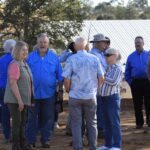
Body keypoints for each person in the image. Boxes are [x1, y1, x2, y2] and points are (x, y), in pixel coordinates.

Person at [62, 37, 104, 150]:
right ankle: (93, 147)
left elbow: (66, 78)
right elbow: (101, 77)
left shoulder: (71, 59)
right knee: (92, 123)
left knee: (76, 124)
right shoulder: (95, 59)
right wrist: (96, 89)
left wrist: (68, 90)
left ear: (75, 46)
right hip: (90, 96)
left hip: (75, 96)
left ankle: (78, 147)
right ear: (86, 46)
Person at [26, 33, 63, 148]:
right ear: (37, 43)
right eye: (40, 42)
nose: (42, 44)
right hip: (32, 93)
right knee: (32, 118)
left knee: (48, 118)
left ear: (48, 44)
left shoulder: (54, 57)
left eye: (45, 42)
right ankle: (31, 140)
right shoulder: (29, 57)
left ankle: (46, 140)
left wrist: (61, 91)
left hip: (49, 94)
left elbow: (60, 76)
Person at [4, 41, 33, 150]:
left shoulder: (24, 63)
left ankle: (23, 144)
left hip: (23, 100)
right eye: (23, 50)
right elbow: (12, 83)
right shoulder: (14, 64)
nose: (25, 52)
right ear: (17, 51)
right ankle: (16, 146)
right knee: (17, 124)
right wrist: (20, 101)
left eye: (26, 49)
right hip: (15, 100)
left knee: (22, 123)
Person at [98, 48, 123, 150]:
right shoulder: (108, 68)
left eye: (108, 55)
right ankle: (108, 145)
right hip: (103, 98)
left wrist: (101, 77)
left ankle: (117, 145)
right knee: (106, 123)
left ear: (114, 56)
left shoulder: (118, 68)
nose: (105, 57)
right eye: (105, 55)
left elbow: (113, 81)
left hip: (112, 99)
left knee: (114, 123)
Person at [125, 36, 150, 129]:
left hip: (148, 82)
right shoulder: (130, 57)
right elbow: (127, 71)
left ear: (143, 43)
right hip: (135, 83)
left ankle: (149, 123)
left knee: (149, 103)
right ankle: (139, 123)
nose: (137, 44)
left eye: (139, 42)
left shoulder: (148, 55)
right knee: (137, 104)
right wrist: (130, 82)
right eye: (136, 43)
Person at [90, 34, 109, 138]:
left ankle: (100, 127)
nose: (105, 44)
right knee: (99, 108)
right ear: (97, 43)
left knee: (101, 107)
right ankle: (100, 128)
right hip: (98, 85)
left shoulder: (101, 54)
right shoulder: (94, 55)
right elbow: (101, 71)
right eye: (103, 42)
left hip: (100, 85)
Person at [0, 39, 16, 143]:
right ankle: (16, 135)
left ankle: (7, 135)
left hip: (2, 88)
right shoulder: (16, 59)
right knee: (16, 112)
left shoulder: (1, 59)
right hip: (13, 88)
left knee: (4, 112)